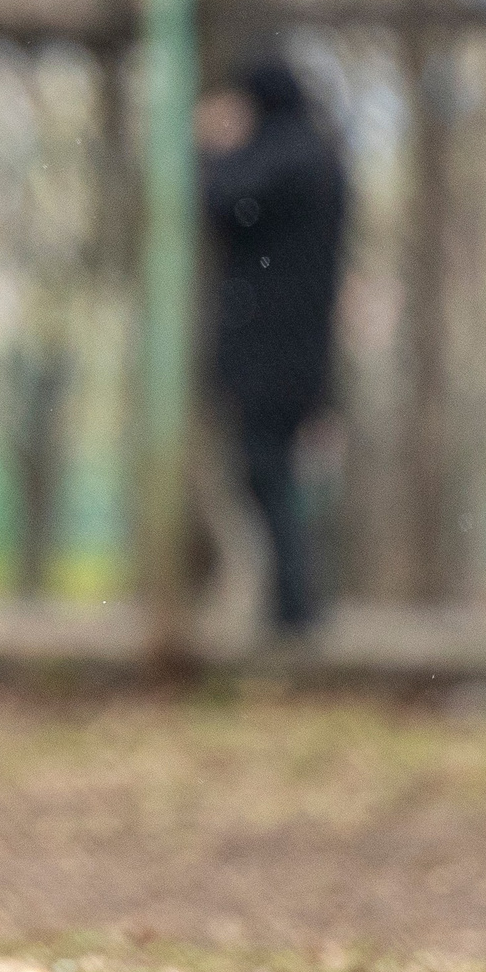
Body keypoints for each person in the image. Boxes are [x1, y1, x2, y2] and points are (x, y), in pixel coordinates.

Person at [198, 54, 350, 635]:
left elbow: (222, 201)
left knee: (266, 467)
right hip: (292, 345)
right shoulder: (313, 153)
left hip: (275, 347)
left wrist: (211, 146)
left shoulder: (289, 157)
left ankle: (295, 610)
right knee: (270, 468)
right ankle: (291, 606)